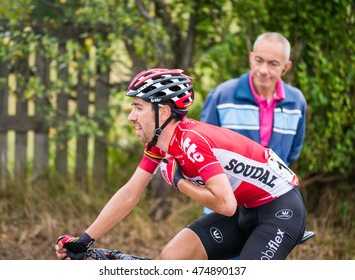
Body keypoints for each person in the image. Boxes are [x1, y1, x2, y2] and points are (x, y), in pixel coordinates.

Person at [55, 68, 307, 260]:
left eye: (138, 108)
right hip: (245, 209)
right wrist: (85, 239)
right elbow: (130, 193)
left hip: (280, 211)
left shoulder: (192, 142)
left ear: (163, 112)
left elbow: (225, 205)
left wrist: (180, 182)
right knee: (171, 261)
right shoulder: (159, 143)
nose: (131, 117)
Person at [200, 32, 307, 215]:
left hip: (272, 204)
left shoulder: (296, 101)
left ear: (286, 67)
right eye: (259, 60)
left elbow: (293, 151)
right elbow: (200, 148)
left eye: (273, 64)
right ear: (251, 58)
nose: (263, 70)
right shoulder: (222, 95)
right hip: (224, 204)